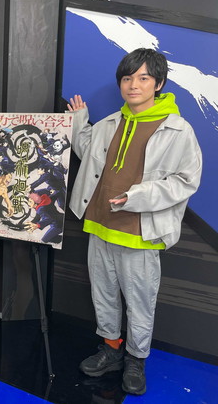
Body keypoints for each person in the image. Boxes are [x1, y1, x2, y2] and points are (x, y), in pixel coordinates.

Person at [67, 48, 202, 395]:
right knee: (103, 295)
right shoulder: (112, 122)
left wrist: (137, 196)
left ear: (159, 83)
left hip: (139, 232)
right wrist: (79, 120)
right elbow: (87, 151)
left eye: (143, 78)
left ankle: (136, 359)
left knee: (140, 302)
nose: (133, 85)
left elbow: (186, 181)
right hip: (99, 225)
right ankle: (110, 350)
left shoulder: (177, 129)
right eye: (127, 78)